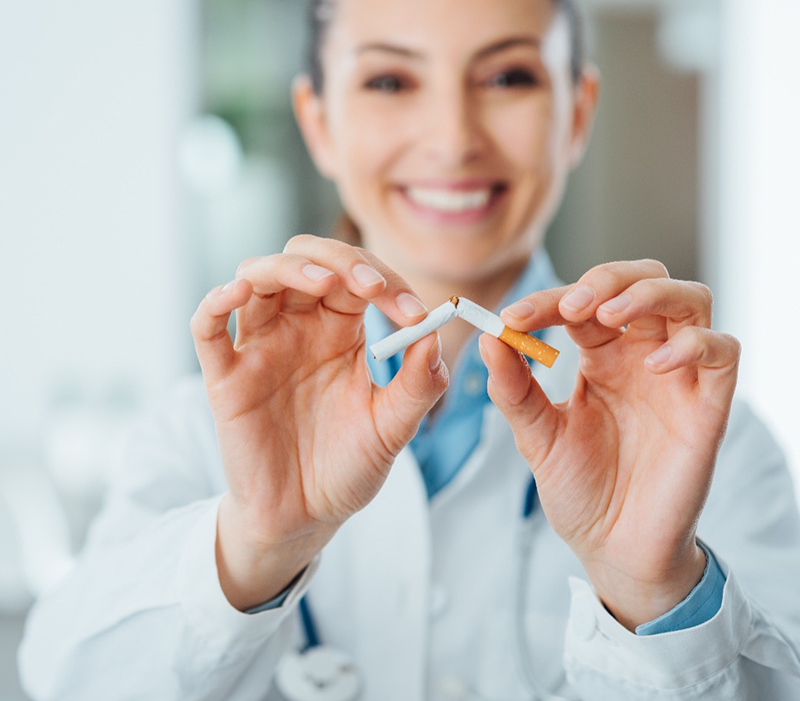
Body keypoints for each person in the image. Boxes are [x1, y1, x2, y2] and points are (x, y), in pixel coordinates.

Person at [18, 0, 800, 698]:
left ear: (577, 113)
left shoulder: (708, 446)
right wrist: (255, 544)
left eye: (508, 78)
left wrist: (654, 590)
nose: (454, 139)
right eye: (390, 82)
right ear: (318, 121)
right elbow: (65, 677)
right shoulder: (197, 433)